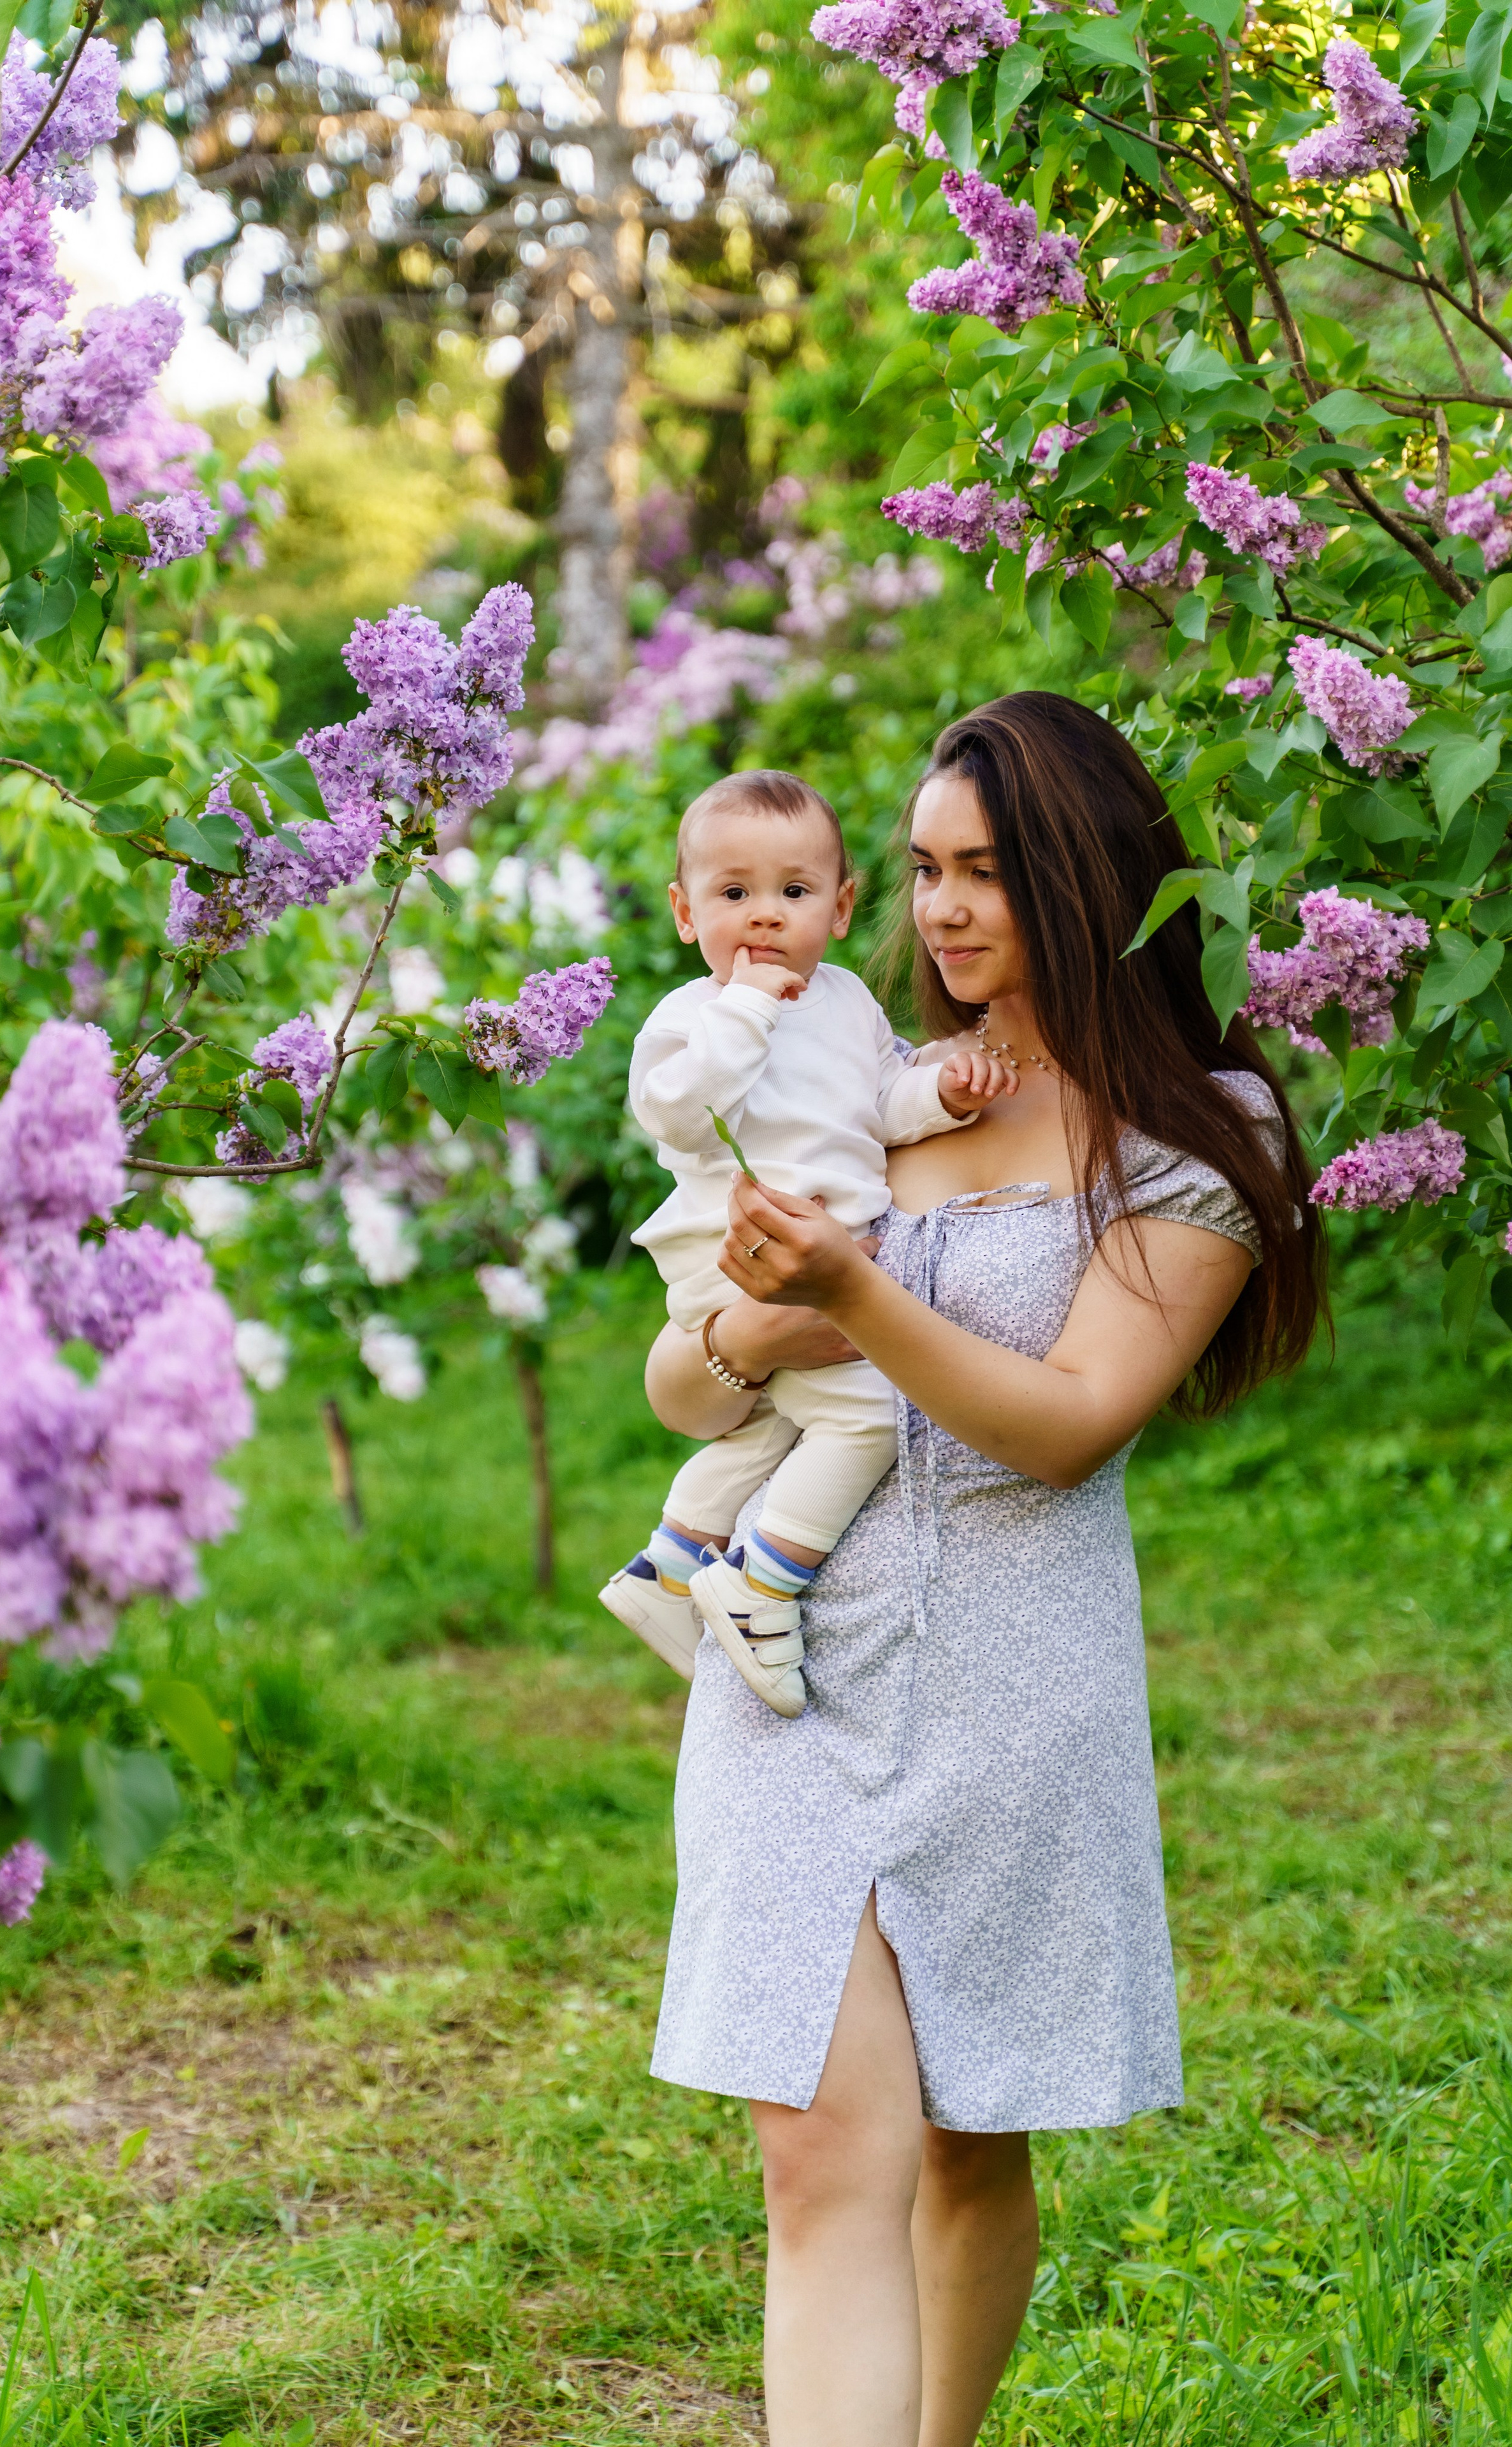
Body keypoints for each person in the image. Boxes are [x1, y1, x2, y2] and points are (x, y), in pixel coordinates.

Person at [639, 694, 1325, 2447]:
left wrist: (858, 1293)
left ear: (1087, 884)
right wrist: (741, 1326)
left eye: (988, 875)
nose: (941, 912)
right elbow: (685, 1378)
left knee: (965, 2135)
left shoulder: (1194, 1133)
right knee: (815, 2149)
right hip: (795, 1657)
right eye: (928, 870)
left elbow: (1073, 1421)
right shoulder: (850, 1091)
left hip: (1020, 1677)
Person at [599, 769, 1002, 1717]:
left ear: (843, 902)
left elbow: (876, 1107)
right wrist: (748, 1007)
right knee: (866, 1418)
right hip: (740, 1255)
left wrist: (938, 1098)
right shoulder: (693, 1019)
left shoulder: (851, 1003)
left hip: (822, 1261)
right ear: (686, 913)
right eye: (734, 895)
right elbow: (683, 1116)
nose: (766, 918)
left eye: (794, 892)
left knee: (788, 1422)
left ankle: (669, 1566)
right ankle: (762, 1585)